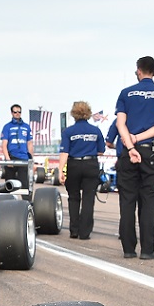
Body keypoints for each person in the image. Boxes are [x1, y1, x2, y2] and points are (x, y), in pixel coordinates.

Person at [114, 55, 154, 260]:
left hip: (128, 151)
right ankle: (147, 250)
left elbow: (120, 124)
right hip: (153, 153)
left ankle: (128, 249)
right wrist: (140, 139)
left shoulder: (125, 93)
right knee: (149, 202)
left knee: (127, 201)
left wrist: (131, 145)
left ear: (138, 70)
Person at [58, 101, 105, 240]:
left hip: (74, 164)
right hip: (91, 164)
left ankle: (74, 230)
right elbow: (101, 151)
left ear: (74, 114)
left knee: (73, 197)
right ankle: (85, 232)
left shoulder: (68, 131)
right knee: (88, 198)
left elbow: (64, 152)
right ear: (88, 113)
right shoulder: (95, 130)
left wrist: (60, 170)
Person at [0, 104, 35, 189]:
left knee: (25, 183)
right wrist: (8, 159)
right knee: (10, 184)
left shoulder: (26, 127)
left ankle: (27, 201)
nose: (17, 114)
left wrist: (31, 159)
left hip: (23, 158)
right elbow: (4, 144)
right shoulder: (7, 127)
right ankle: (9, 201)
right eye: (15, 112)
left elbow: (29, 143)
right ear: (12, 113)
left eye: (19, 112)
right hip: (12, 158)